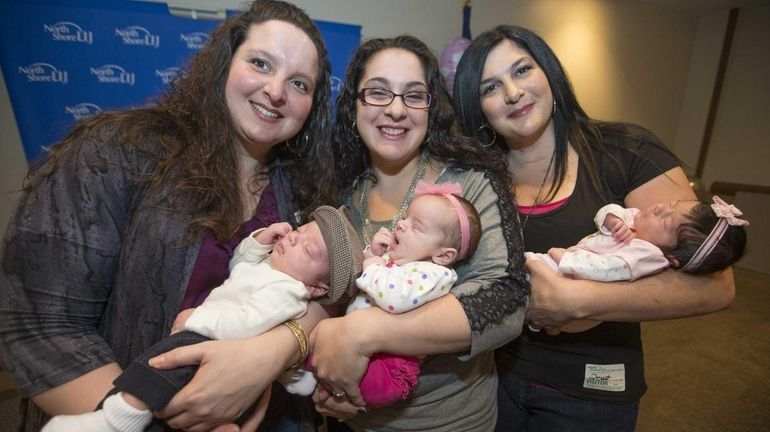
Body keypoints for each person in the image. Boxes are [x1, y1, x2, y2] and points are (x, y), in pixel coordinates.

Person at [0, 1, 338, 431]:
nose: (276, 91)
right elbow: (40, 325)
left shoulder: (303, 188)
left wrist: (271, 352)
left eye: (299, 83)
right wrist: (156, 416)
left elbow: (327, 297)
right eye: (260, 63)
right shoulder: (118, 152)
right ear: (223, 64)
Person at [453, 25, 737, 431]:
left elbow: (716, 283)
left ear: (549, 72)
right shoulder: (479, 176)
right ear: (477, 108)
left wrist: (582, 300)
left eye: (521, 70)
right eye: (490, 88)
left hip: (590, 394)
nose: (513, 92)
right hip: (490, 382)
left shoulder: (624, 149)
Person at [308, 35, 530, 431]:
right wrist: (329, 385)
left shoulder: (471, 185)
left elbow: (507, 301)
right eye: (377, 93)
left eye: (413, 96)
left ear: (432, 108)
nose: (395, 110)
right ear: (354, 105)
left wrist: (365, 332)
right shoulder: (341, 196)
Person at [41, 206, 364, 432]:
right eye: (300, 231)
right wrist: (261, 239)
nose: (294, 239)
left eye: (308, 251)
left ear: (316, 287)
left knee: (161, 368)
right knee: (159, 375)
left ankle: (116, 419)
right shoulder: (270, 268)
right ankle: (113, 416)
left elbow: (248, 323)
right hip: (212, 339)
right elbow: (240, 264)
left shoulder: (287, 292)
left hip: (216, 343)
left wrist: (200, 320)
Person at [290, 182, 484, 409]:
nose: (401, 224)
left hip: (389, 364)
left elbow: (394, 299)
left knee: (343, 374)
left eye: (416, 226)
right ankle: (310, 376)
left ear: (443, 255)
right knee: (319, 342)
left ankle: (323, 384)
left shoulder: (434, 275)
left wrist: (372, 265)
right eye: (405, 217)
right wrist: (374, 254)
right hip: (364, 349)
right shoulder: (403, 262)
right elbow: (371, 280)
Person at [529, 197, 748, 332]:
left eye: (665, 221)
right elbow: (605, 211)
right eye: (671, 205)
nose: (659, 207)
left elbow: (607, 269)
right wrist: (612, 220)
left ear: (671, 257)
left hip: (570, 273)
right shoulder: (637, 220)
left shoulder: (648, 254)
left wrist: (566, 259)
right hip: (568, 268)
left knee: (525, 265)